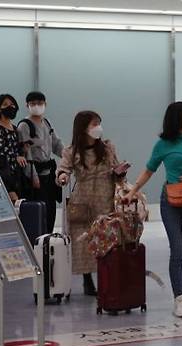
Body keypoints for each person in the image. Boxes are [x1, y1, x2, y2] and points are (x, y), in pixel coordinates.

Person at [125, 102, 182, 318]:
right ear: (178, 119)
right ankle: (179, 299)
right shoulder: (163, 144)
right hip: (171, 201)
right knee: (177, 251)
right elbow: (149, 170)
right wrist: (133, 191)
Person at [56, 111, 129, 296]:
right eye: (94, 124)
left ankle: (108, 278)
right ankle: (88, 280)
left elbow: (116, 168)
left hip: (106, 198)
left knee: (109, 238)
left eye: (99, 123)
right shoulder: (71, 151)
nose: (98, 127)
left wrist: (120, 172)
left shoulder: (107, 148)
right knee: (84, 240)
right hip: (83, 201)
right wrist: (63, 176)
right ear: (83, 128)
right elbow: (62, 170)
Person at [17, 91, 65, 233]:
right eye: (33, 104)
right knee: (39, 210)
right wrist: (33, 176)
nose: (37, 106)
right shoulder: (24, 126)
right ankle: (39, 239)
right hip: (35, 175)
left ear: (45, 104)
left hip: (49, 173)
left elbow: (57, 145)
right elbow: (26, 153)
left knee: (51, 208)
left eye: (40, 103)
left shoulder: (47, 123)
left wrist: (70, 157)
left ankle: (49, 236)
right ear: (27, 105)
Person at [0, 94, 28, 202]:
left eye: (12, 105)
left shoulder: (14, 128)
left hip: (16, 173)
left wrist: (24, 150)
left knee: (18, 204)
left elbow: (17, 148)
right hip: (1, 171)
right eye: (5, 105)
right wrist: (15, 156)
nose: (10, 107)